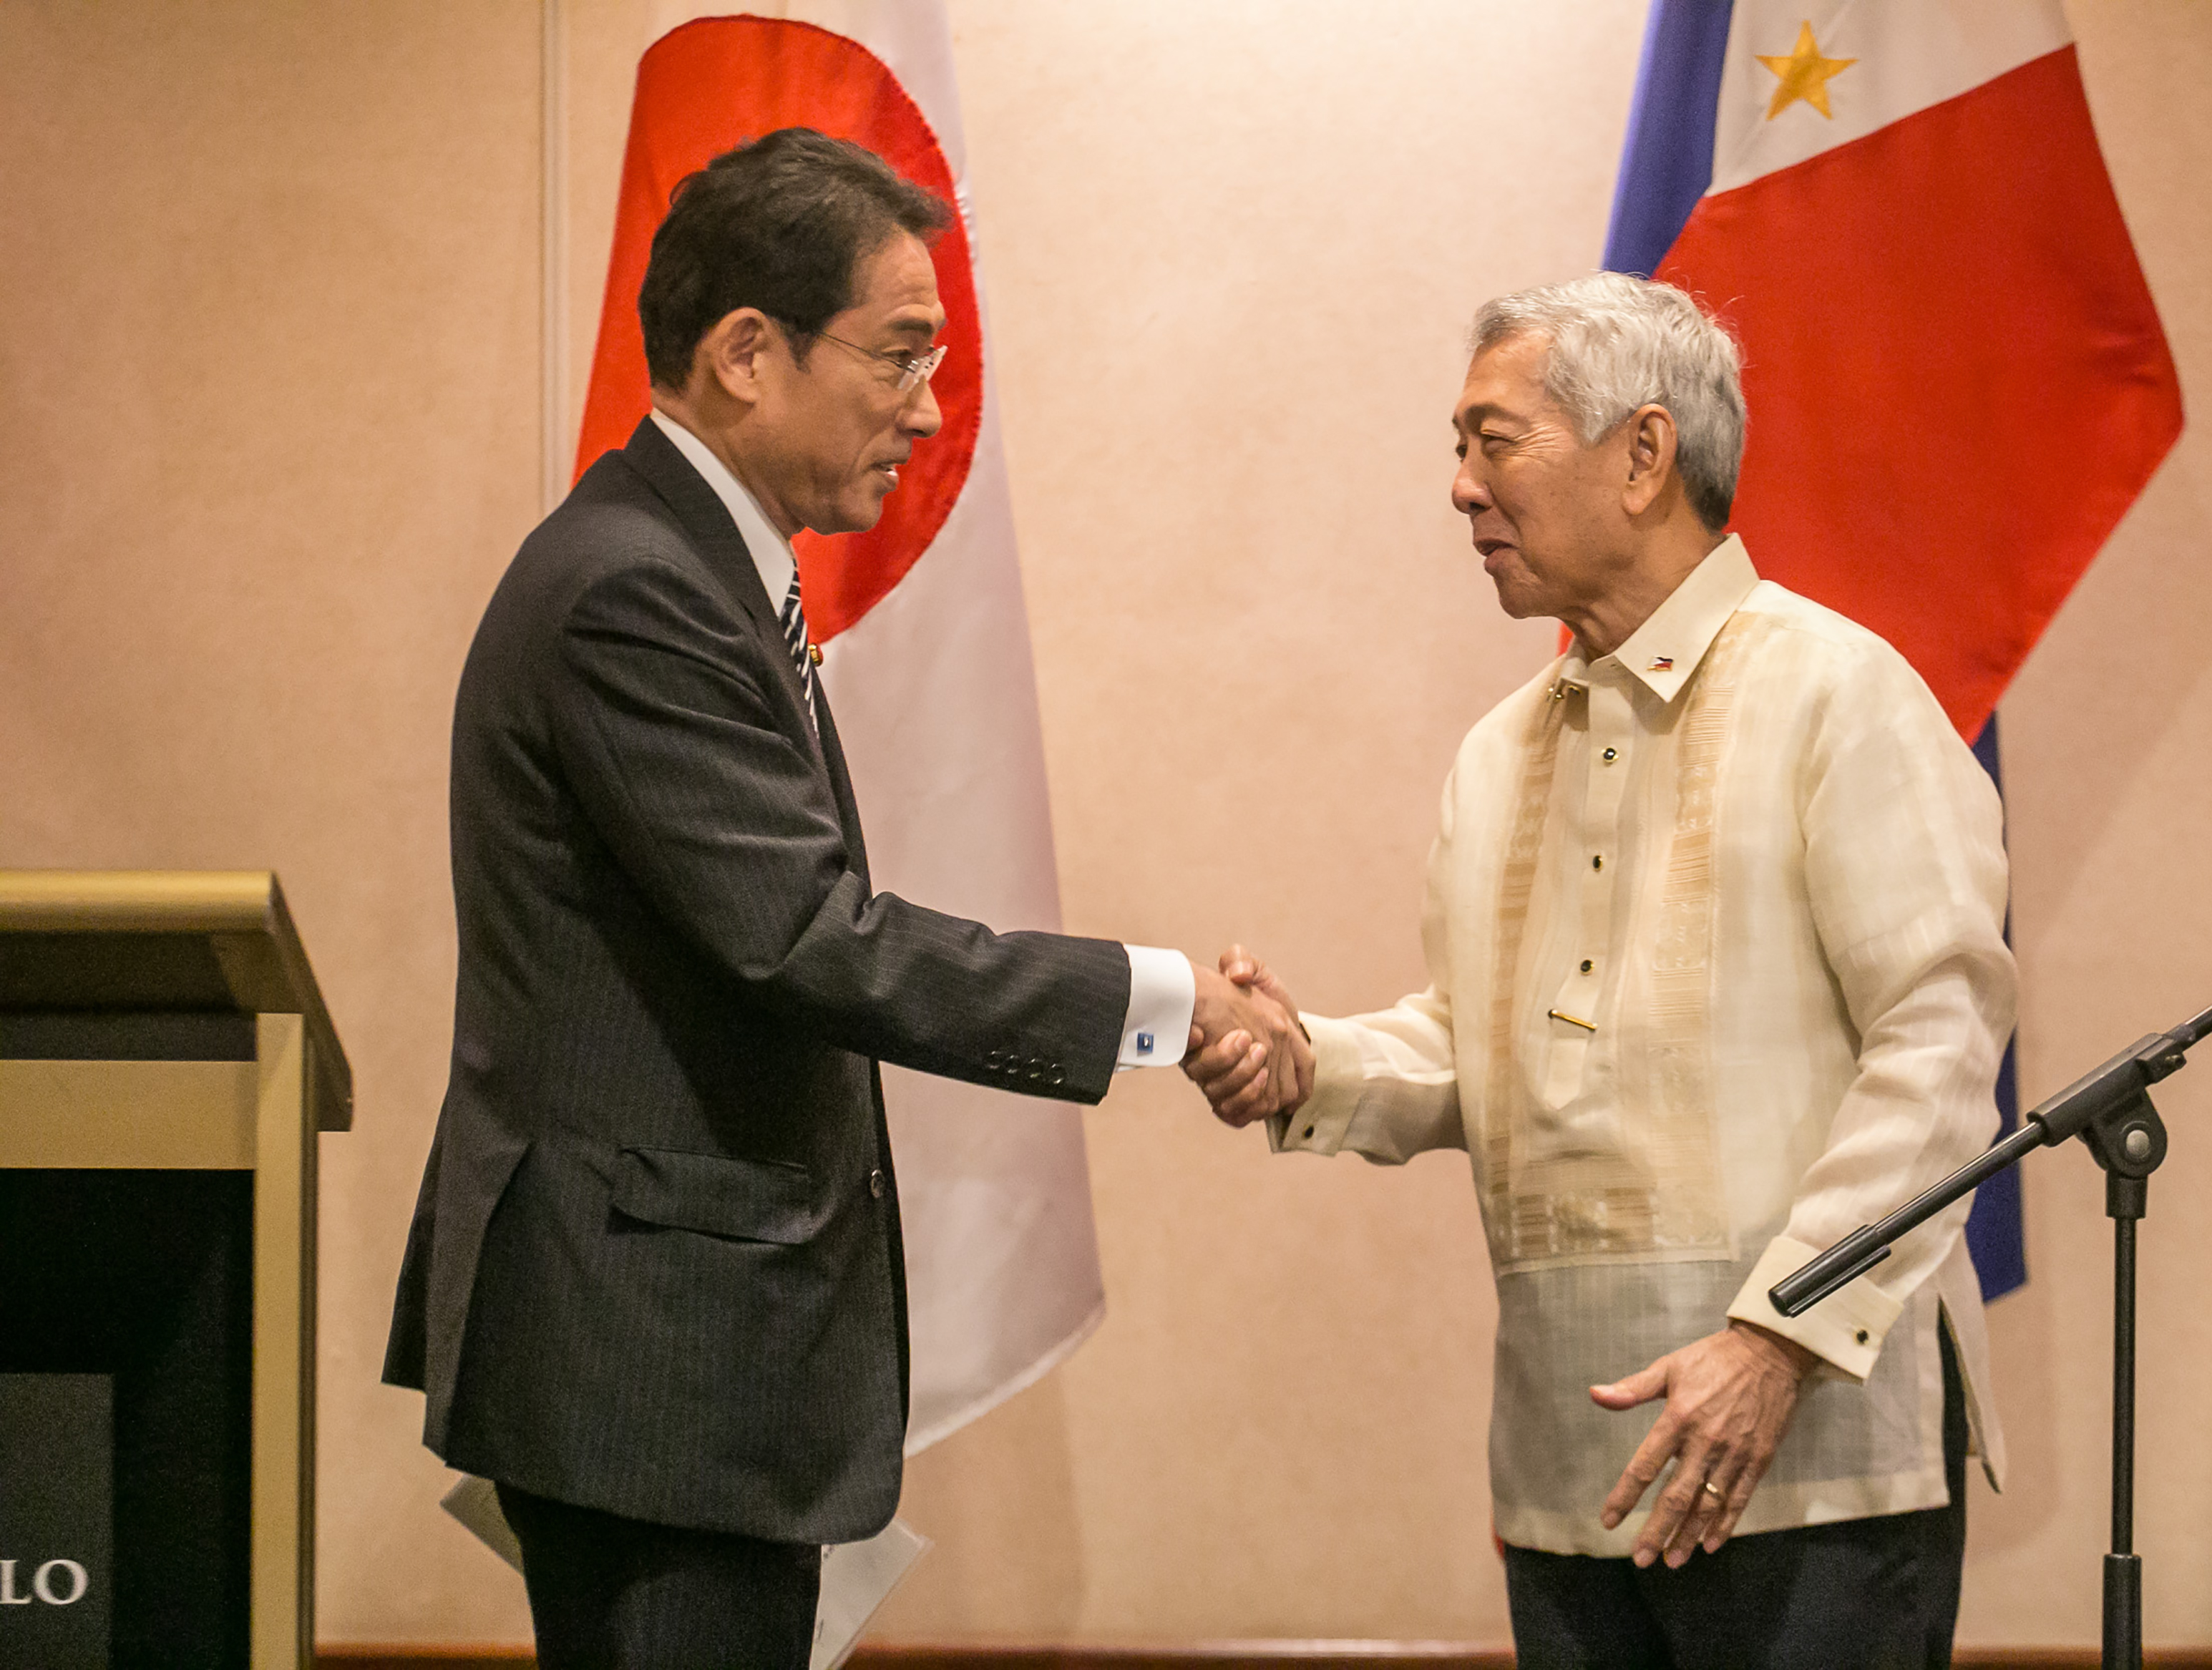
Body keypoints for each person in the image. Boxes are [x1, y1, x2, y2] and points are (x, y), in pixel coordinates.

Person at [383, 128, 1309, 1670]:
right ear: (749, 352)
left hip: (674, 1355)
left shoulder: (683, 565)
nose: (931, 409)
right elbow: (806, 939)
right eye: (900, 354)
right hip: (656, 1369)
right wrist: (1164, 1005)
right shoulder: (635, 587)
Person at [1187, 272, 2015, 1668]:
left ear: (1642, 457)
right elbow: (1481, 1044)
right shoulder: (1497, 752)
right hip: (1571, 1470)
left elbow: (1938, 1048)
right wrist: (1306, 1059)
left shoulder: (1840, 694)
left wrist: (1775, 1340)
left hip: (1811, 1460)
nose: (1457, 487)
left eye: (1490, 440)